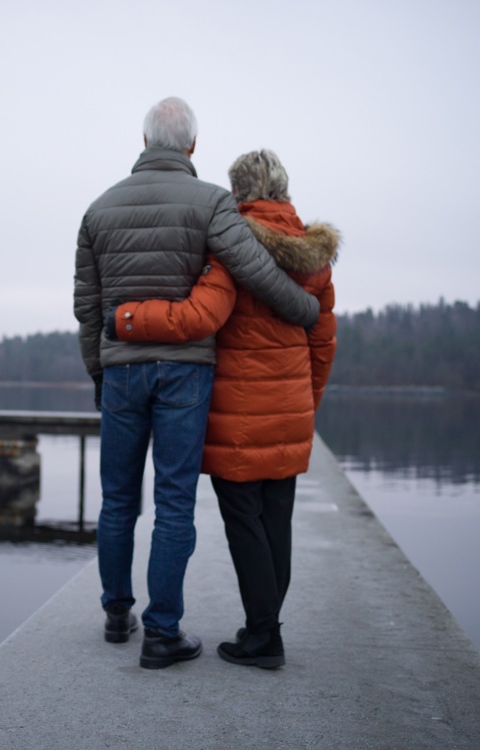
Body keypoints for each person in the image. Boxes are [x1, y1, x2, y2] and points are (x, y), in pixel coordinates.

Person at [74, 99, 320, 670]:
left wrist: (98, 370)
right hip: (186, 370)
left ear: (143, 138)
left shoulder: (97, 209)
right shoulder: (210, 201)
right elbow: (254, 270)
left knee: (116, 501)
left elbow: (87, 308)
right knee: (174, 502)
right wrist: (304, 310)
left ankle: (117, 614)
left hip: (121, 368)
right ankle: (163, 632)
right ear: (191, 146)